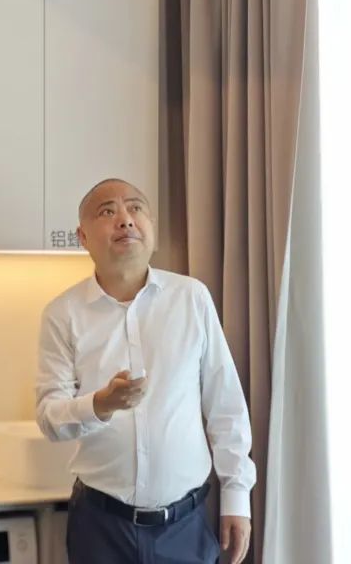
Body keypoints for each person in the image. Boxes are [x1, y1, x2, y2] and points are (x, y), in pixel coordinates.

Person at [36, 178, 256, 564]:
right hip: (100, 526)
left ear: (151, 227)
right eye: (107, 211)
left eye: (135, 208)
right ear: (82, 236)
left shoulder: (192, 298)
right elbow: (49, 417)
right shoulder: (62, 314)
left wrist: (237, 496)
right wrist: (99, 405)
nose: (125, 219)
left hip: (186, 526)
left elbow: (226, 406)